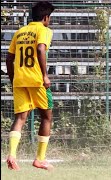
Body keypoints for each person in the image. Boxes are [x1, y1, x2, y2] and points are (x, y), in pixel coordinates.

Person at [5, 1, 55, 171]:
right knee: (47, 116)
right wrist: (45, 75)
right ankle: (40, 159)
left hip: (19, 80)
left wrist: (13, 78)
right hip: (36, 80)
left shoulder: (19, 32)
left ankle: (12, 155)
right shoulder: (44, 30)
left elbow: (8, 58)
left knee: (20, 118)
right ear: (46, 17)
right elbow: (41, 49)